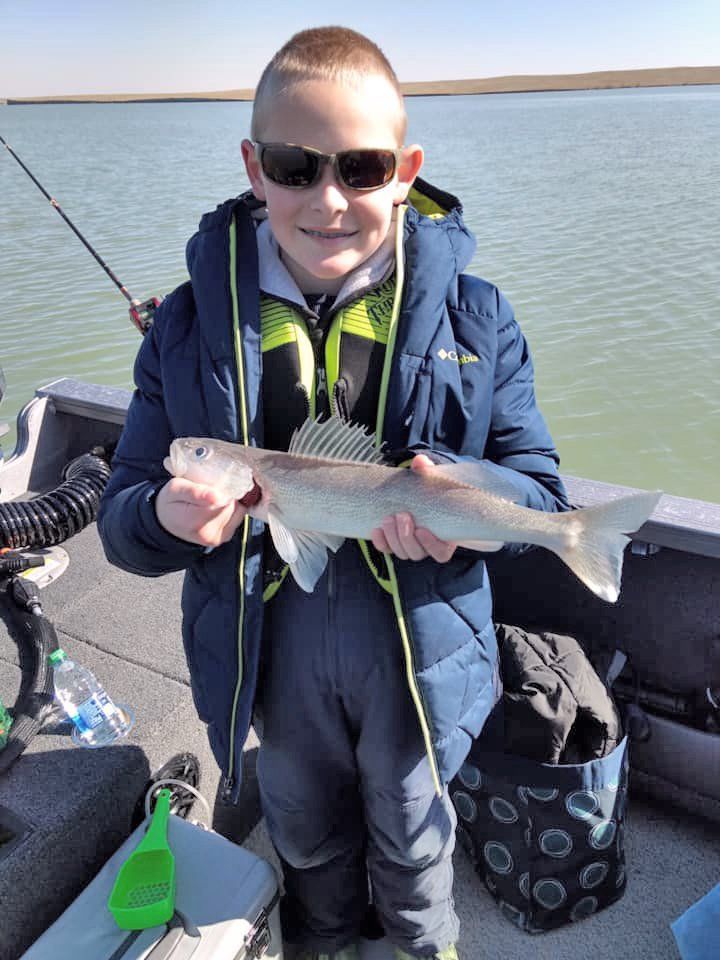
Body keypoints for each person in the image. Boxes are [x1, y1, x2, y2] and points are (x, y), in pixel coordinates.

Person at [98, 25, 569, 960]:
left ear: (405, 169)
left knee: (412, 827)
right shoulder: (186, 326)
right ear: (252, 164)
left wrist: (467, 509)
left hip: (419, 654)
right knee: (302, 823)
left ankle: (423, 944)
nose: (328, 199)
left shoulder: (481, 317)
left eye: (361, 167)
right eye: (294, 164)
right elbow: (121, 517)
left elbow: (540, 495)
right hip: (274, 657)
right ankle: (317, 940)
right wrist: (161, 511)